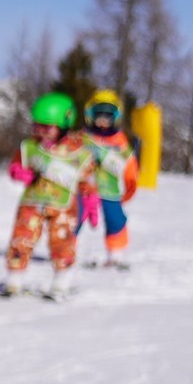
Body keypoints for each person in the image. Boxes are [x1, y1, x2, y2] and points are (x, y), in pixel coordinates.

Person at [5, 91, 101, 300]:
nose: (41, 131)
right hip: (32, 202)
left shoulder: (79, 153)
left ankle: (61, 281)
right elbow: (15, 165)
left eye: (47, 127)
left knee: (62, 242)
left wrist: (91, 203)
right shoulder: (30, 147)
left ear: (63, 125)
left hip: (63, 207)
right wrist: (19, 172)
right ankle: (14, 278)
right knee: (21, 238)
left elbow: (88, 181)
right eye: (38, 125)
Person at [78, 90, 140, 268]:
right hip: (85, 188)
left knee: (116, 219)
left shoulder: (120, 141)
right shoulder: (83, 137)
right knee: (75, 216)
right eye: (99, 115)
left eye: (108, 116)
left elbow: (130, 163)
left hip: (110, 189)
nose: (103, 120)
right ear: (91, 115)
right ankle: (67, 248)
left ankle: (116, 253)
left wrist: (130, 184)